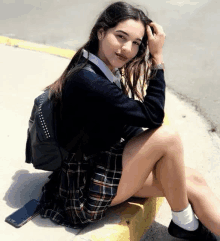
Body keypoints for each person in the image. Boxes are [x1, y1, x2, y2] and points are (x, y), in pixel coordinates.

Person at [39, 1, 220, 239]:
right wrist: (157, 59)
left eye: (136, 43)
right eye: (121, 36)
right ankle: (185, 224)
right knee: (167, 136)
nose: (127, 48)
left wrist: (152, 157)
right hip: (83, 192)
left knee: (192, 180)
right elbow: (153, 116)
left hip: (99, 167)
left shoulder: (99, 66)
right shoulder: (88, 80)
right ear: (101, 31)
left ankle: (186, 225)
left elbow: (124, 123)